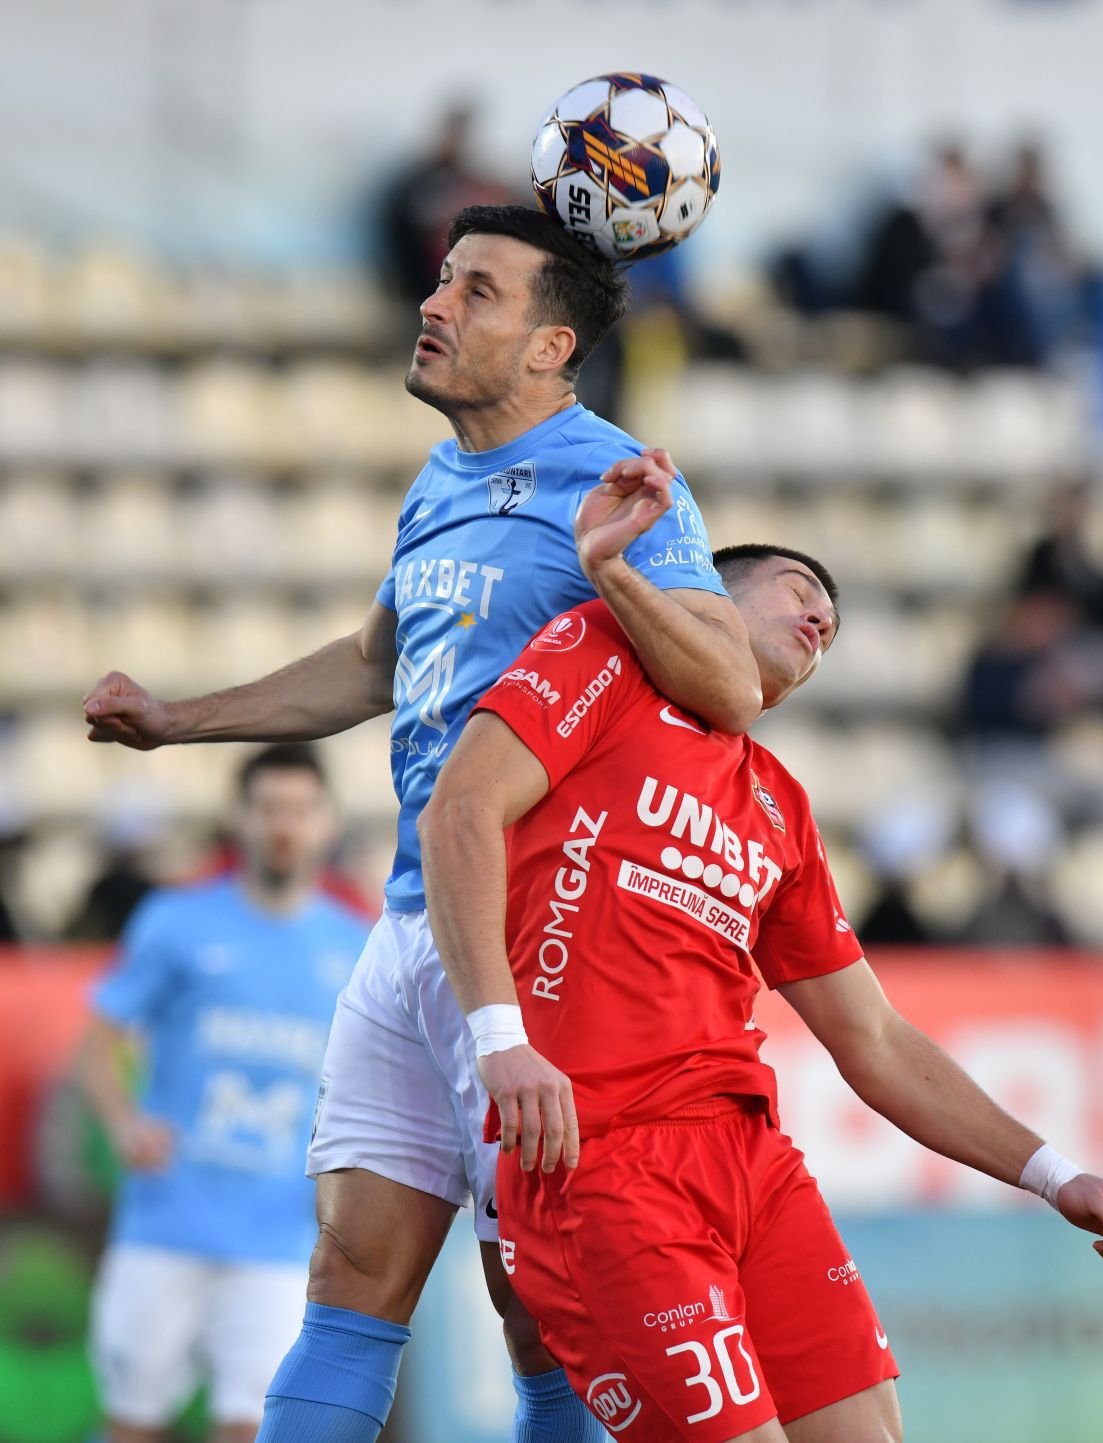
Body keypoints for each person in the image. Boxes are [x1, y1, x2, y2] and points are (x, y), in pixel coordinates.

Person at [83, 203, 761, 1443]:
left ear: (553, 347)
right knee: (347, 1279)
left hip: (536, 949)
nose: (433, 305)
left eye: (478, 292)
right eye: (443, 281)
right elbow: (371, 665)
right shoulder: (439, 482)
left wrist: (612, 569)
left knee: (538, 1309)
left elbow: (731, 685)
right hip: (409, 930)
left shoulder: (618, 481)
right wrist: (178, 721)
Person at [419, 543, 1103, 1443]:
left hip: (753, 1165)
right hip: (602, 1160)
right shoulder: (603, 663)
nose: (820, 623)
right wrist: (501, 1036)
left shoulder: (779, 806)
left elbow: (875, 1039)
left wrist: (1054, 1173)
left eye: (832, 629)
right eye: (800, 592)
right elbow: (458, 811)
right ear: (707, 598)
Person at [77, 744, 368, 1443]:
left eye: (299, 809)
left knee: (252, 1426)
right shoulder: (175, 921)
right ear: (238, 818)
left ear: (326, 822)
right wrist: (122, 1124)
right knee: (131, 1423)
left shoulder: (356, 946)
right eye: (268, 807)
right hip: (165, 1222)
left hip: (277, 1235)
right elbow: (95, 1046)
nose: (283, 825)